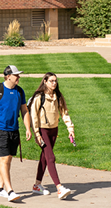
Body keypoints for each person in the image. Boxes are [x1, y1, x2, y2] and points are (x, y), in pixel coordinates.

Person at [0, 65, 33, 203]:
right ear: (8, 76)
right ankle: (10, 191)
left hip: (14, 129)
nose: (19, 77)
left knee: (8, 159)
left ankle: (0, 189)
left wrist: (28, 128)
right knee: (4, 159)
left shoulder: (19, 91)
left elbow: (24, 111)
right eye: (16, 75)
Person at [29, 72, 75, 200]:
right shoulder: (39, 97)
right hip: (42, 130)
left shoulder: (58, 96)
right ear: (45, 81)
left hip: (54, 130)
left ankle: (37, 185)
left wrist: (70, 129)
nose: (54, 83)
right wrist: (37, 134)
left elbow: (64, 113)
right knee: (50, 157)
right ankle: (59, 188)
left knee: (44, 157)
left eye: (55, 81)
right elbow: (33, 117)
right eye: (51, 81)